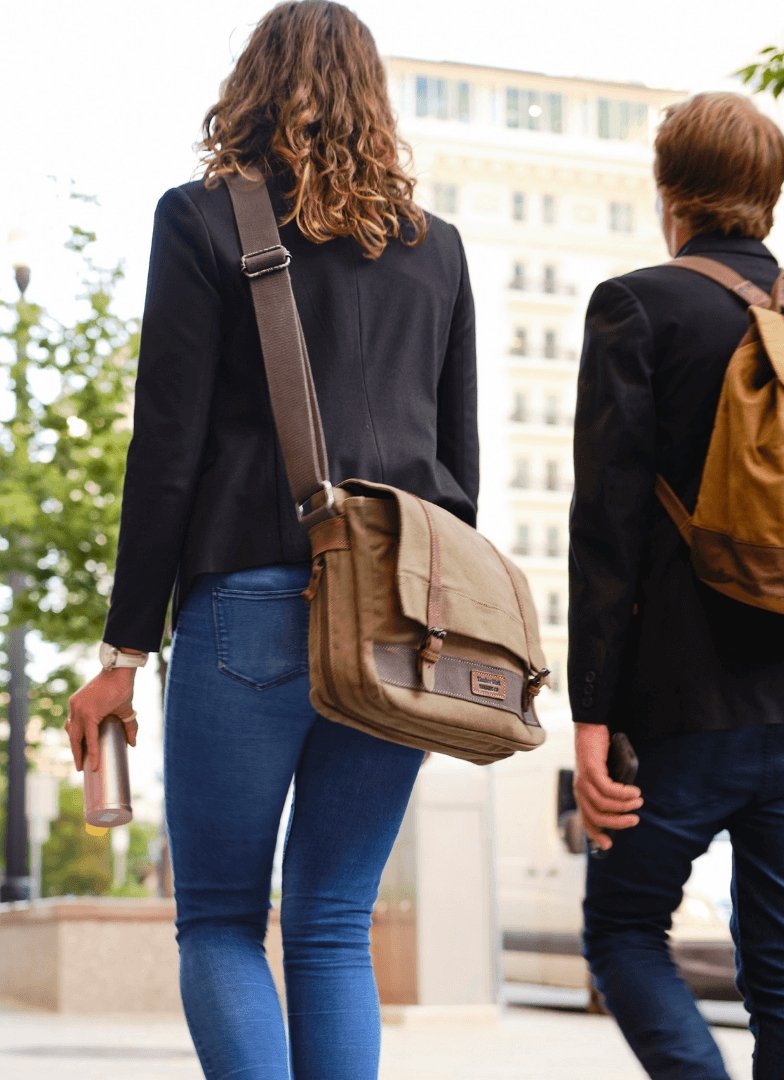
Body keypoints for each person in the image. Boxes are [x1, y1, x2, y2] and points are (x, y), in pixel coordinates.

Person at [64, 4, 477, 1078]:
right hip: (400, 618)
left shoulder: (200, 221)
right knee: (335, 922)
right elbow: (459, 478)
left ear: (249, 85)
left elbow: (167, 453)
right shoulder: (440, 255)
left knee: (218, 921)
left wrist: (123, 654)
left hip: (248, 607)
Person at [568, 92, 784, 1080]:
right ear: (770, 196)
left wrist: (590, 713)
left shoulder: (637, 305)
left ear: (670, 194)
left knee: (623, 933)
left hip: (684, 710)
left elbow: (607, 529)